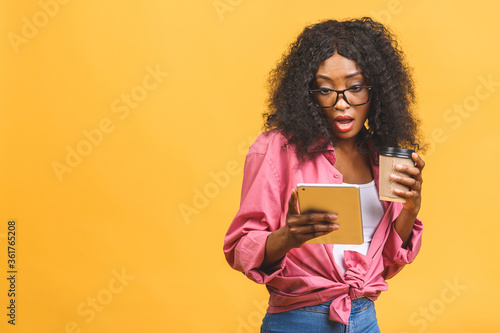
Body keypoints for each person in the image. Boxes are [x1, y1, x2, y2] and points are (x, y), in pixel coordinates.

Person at [223, 17, 426, 333]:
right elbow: (240, 249)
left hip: (365, 320)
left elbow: (386, 263)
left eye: (355, 87)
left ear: (378, 90)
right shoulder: (277, 149)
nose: (342, 104)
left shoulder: (382, 155)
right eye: (326, 89)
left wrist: (410, 210)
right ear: (308, 93)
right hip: (298, 321)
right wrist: (287, 238)